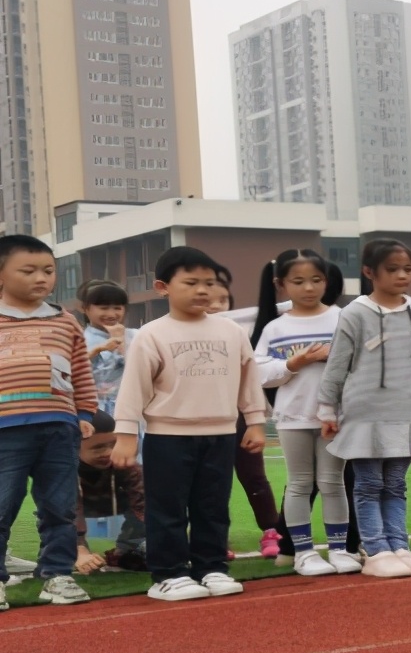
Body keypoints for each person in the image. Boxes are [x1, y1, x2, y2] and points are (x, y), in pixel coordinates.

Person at [112, 246, 268, 602]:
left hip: (221, 434)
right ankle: (168, 574)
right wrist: (124, 435)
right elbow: (133, 387)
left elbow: (248, 380)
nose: (202, 290)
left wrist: (255, 422)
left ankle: (211, 567)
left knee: (212, 506)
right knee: (166, 508)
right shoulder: (151, 335)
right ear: (162, 287)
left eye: (209, 283)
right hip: (168, 435)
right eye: (191, 282)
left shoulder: (231, 331)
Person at [318, 239, 411, 579]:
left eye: (408, 269)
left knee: (396, 483)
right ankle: (376, 548)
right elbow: (338, 364)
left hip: (406, 412)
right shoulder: (354, 313)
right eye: (393, 269)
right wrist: (327, 409)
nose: (402, 275)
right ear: (370, 272)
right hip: (364, 412)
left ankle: (399, 546)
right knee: (368, 483)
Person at [0, 235, 98, 610]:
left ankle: (57, 574)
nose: (41, 278)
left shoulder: (65, 321)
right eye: (28, 271)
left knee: (59, 507)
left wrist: (85, 415)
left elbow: (81, 373)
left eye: (48, 270)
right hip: (5, 430)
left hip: (59, 428)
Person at [251, 249, 359, 577]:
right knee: (299, 483)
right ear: (280, 284)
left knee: (333, 482)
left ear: (327, 281)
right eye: (298, 281)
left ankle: (340, 550)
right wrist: (292, 363)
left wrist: (336, 358)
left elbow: (363, 363)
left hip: (336, 417)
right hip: (292, 416)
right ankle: (303, 552)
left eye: (316, 280)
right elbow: (258, 370)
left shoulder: (344, 318)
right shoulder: (275, 328)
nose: (308, 288)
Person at [208, 274, 283, 558]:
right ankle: (216, 538)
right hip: (206, 420)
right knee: (215, 483)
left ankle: (271, 531)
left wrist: (256, 422)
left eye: (222, 300)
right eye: (210, 300)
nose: (215, 305)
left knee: (254, 478)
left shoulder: (238, 335)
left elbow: (251, 379)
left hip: (239, 417)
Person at [74, 410, 146, 574]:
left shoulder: (127, 466)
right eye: (98, 448)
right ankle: (61, 552)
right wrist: (80, 550)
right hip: (75, 508)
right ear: (74, 446)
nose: (108, 452)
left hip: (115, 502)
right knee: (53, 511)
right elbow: (66, 513)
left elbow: (145, 506)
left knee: (151, 494)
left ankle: (129, 549)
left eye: (113, 445)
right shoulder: (63, 470)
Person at [78, 279, 137, 416]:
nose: (111, 314)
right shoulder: (79, 340)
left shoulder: (137, 335)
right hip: (98, 411)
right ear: (86, 309)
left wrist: (122, 344)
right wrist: (97, 350)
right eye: (103, 308)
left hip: (135, 409)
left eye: (117, 308)